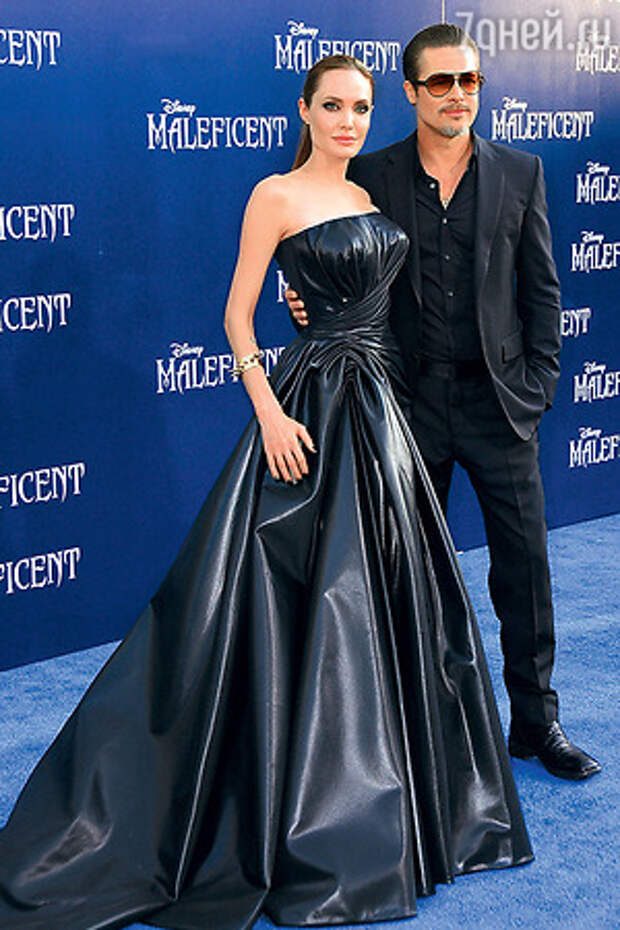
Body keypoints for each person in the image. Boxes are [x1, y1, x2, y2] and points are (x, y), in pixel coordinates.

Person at [0, 55, 534, 930]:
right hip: (309, 407)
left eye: (360, 107)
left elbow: (374, 296)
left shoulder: (366, 196)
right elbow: (236, 314)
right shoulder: (274, 195)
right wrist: (271, 412)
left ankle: (405, 799)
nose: (349, 121)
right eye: (334, 106)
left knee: (395, 599)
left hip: (382, 410)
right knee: (296, 594)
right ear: (305, 110)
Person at [287, 24, 601, 782]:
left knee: (524, 570)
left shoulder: (521, 172)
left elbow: (542, 291)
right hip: (408, 403)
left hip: (501, 406)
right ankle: (418, 731)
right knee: (407, 571)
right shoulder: (372, 174)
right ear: (410, 91)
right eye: (440, 82)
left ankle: (537, 723)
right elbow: (332, 261)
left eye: (469, 81)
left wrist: (537, 387)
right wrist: (309, 307)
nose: (458, 95)